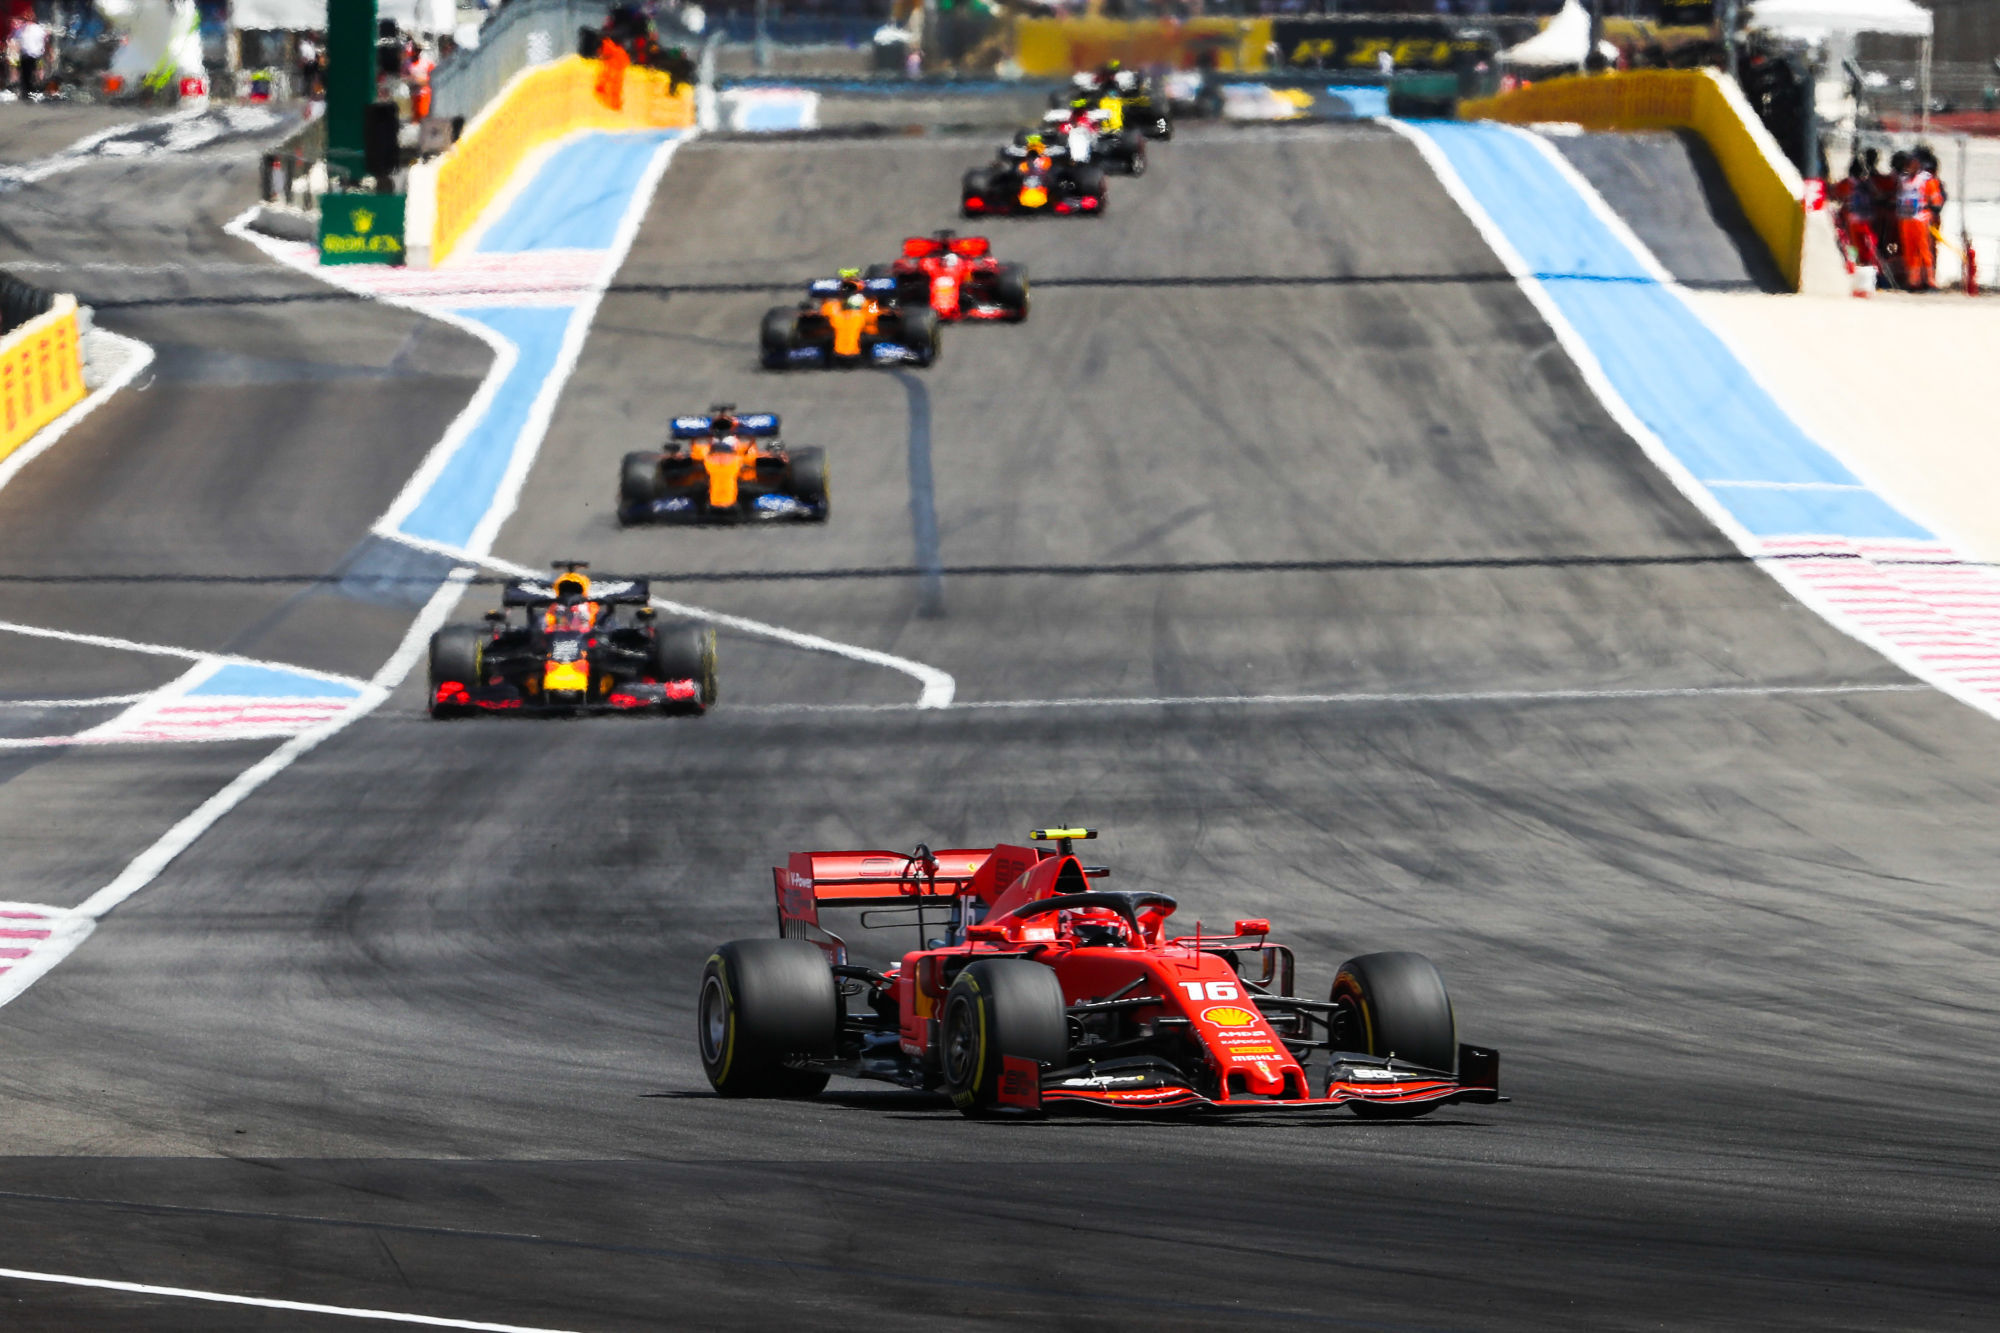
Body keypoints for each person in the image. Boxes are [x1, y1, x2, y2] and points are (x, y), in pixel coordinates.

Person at [1896, 152, 1945, 291]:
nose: (1910, 167)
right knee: (1909, 250)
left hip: (1921, 218)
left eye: (1913, 164)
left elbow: (1936, 201)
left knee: (1924, 250)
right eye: (1909, 164)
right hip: (1906, 219)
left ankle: (1930, 280)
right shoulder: (1903, 180)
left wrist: (1932, 211)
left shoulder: (1927, 180)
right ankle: (1913, 280)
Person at [15, 13, 45, 99]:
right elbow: (45, 40)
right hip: (33, 55)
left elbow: (16, 41)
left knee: (28, 75)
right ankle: (31, 91)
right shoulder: (37, 29)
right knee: (31, 74)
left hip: (30, 55)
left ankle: (29, 92)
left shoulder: (24, 29)